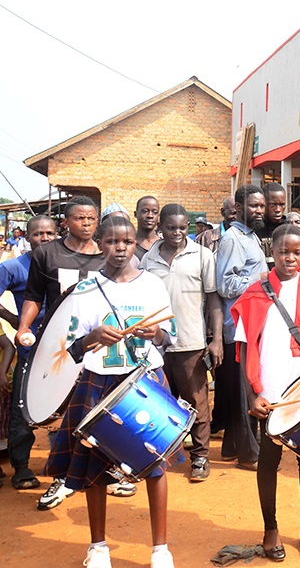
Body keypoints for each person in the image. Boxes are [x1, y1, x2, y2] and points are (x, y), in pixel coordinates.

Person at [45, 216, 177, 568]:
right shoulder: (86, 290)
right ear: (99, 244)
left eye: (128, 242)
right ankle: (98, 547)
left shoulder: (152, 285)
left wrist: (156, 335)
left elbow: (170, 334)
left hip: (145, 380)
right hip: (99, 380)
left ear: (137, 243)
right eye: (112, 242)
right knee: (94, 464)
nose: (120, 248)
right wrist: (93, 337)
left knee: (154, 462)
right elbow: (73, 347)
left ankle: (160, 549)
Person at [16, 196, 139, 508]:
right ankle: (63, 478)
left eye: (91, 219)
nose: (86, 224)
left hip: (100, 346)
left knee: (99, 411)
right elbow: (33, 296)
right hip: (59, 347)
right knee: (65, 413)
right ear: (65, 222)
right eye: (79, 218)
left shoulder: (108, 256)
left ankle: (107, 472)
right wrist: (23, 328)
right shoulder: (46, 254)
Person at [233, 224, 300, 562]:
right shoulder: (254, 293)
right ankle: (270, 529)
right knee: (269, 461)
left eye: (296, 252)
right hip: (271, 390)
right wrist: (252, 396)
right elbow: (246, 349)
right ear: (271, 252)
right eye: (283, 252)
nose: (290, 258)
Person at [141, 203, 223, 482]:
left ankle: (200, 457)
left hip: (191, 342)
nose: (177, 233)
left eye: (182, 227)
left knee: (197, 402)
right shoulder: (147, 260)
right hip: (155, 346)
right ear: (160, 227)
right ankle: (158, 455)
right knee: (160, 402)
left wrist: (216, 340)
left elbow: (213, 299)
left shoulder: (202, 255)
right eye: (171, 227)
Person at [215, 184, 269, 470]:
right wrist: (261, 279)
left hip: (249, 324)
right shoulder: (234, 239)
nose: (259, 210)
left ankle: (230, 449)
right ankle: (249, 454)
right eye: (254, 206)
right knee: (245, 390)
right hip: (238, 327)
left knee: (240, 389)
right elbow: (225, 285)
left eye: (261, 206)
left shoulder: (250, 237)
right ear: (238, 209)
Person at [1, 215, 56, 490]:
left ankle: (63, 463)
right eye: (37, 234)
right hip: (28, 353)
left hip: (62, 353)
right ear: (27, 237)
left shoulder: (63, 265)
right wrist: (14, 320)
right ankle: (21, 467)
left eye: (49, 234)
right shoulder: (13, 267)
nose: (44, 239)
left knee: (64, 409)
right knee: (22, 409)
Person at [256, 182, 288, 268]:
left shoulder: (290, 231)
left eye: (281, 205)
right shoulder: (253, 230)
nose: (278, 209)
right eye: (273, 205)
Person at [133, 196, 161, 260]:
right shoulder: (128, 244)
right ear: (135, 214)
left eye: (155, 212)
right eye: (145, 211)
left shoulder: (163, 244)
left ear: (158, 216)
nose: (150, 216)